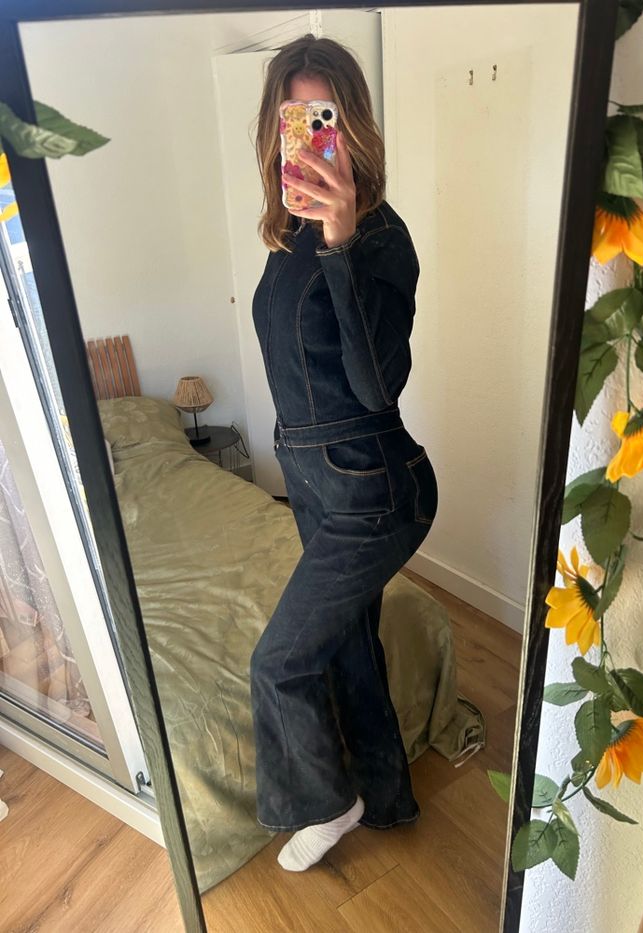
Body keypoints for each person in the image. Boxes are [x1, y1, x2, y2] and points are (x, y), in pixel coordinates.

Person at [249, 33, 438, 873]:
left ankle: (328, 801)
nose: (305, 132)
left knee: (279, 662)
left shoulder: (380, 239)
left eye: (320, 115)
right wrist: (317, 237)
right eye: (292, 117)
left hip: (375, 488)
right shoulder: (286, 236)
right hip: (313, 481)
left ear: (350, 123)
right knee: (349, 645)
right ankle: (387, 799)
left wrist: (341, 243)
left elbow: (375, 386)